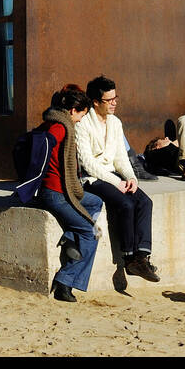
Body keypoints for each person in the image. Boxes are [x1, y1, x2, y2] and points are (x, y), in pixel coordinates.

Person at [75, 76, 160, 282]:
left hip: (113, 175)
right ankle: (129, 258)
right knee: (125, 204)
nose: (114, 102)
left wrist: (131, 177)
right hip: (92, 179)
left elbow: (121, 157)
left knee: (144, 202)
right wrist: (116, 182)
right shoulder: (83, 124)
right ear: (96, 102)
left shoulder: (115, 122)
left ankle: (141, 257)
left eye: (116, 98)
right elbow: (87, 163)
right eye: (109, 99)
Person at [33, 86, 104, 303]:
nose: (81, 120)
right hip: (55, 194)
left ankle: (70, 240)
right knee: (90, 233)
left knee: (95, 202)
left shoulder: (51, 122)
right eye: (81, 115)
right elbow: (46, 146)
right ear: (73, 111)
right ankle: (65, 283)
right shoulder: (60, 128)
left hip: (60, 190)